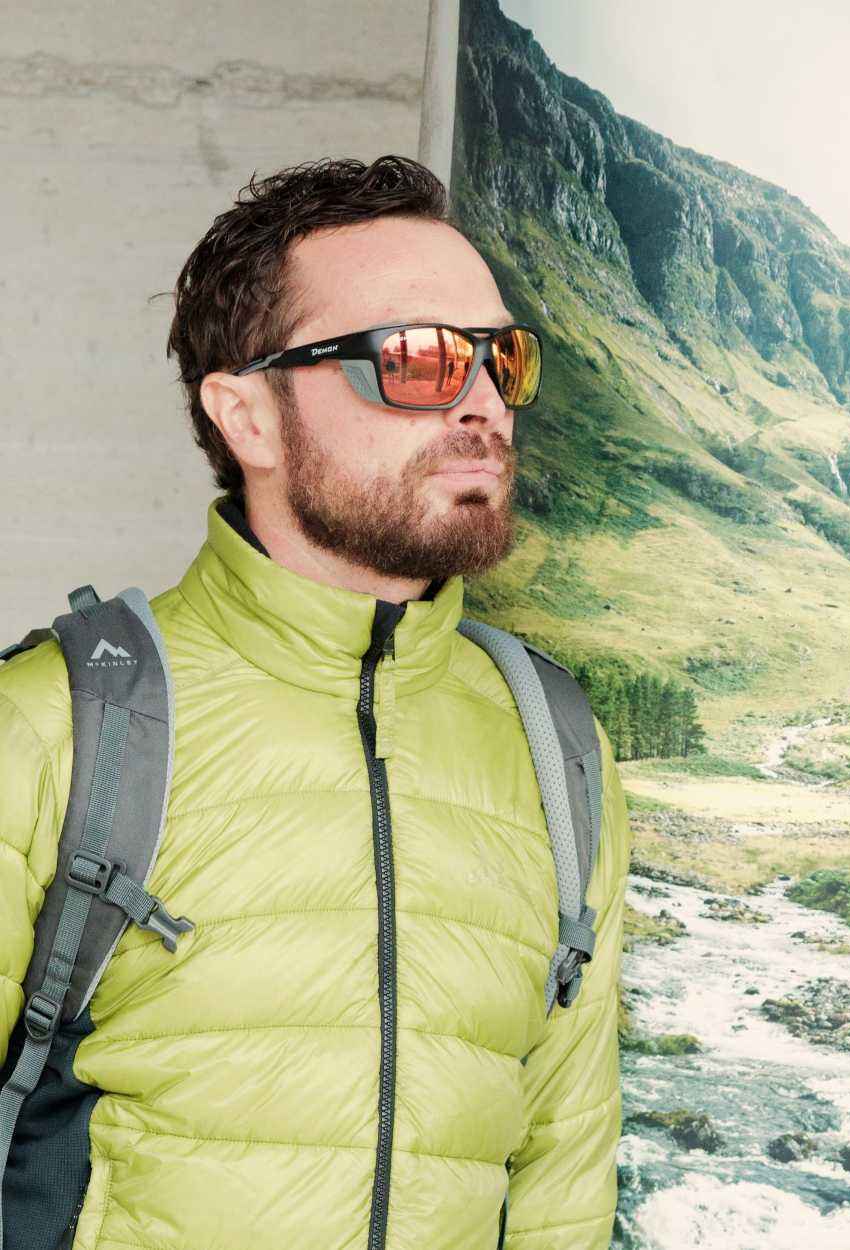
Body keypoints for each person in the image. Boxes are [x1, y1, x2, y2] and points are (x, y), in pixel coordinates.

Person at [0, 154, 632, 1250]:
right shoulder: (56, 724)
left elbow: (562, 1175)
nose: (483, 403)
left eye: (502, 357)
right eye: (417, 358)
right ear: (247, 415)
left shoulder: (553, 739)